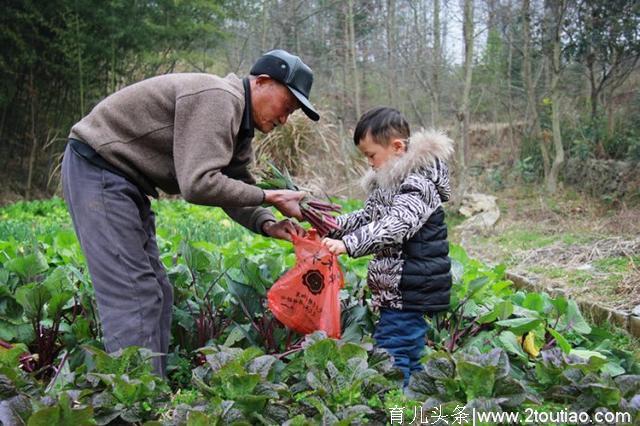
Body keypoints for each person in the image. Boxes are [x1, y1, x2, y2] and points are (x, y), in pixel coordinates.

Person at [60, 49, 319, 377]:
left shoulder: (239, 125)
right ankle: (133, 398)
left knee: (157, 290)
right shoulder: (218, 98)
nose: (285, 119)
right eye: (288, 106)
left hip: (124, 181)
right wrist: (270, 195)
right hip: (98, 170)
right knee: (134, 292)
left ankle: (149, 389)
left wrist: (267, 223)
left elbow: (233, 185)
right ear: (263, 82)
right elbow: (199, 184)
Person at [321, 107, 453, 387]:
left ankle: (399, 409)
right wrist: (329, 225)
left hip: (411, 287)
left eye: (371, 155)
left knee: (392, 352)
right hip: (398, 288)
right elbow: (366, 218)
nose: (369, 163)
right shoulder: (388, 185)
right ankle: (416, 404)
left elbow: (396, 225)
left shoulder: (419, 184)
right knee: (406, 352)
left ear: (396, 147)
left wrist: (348, 244)